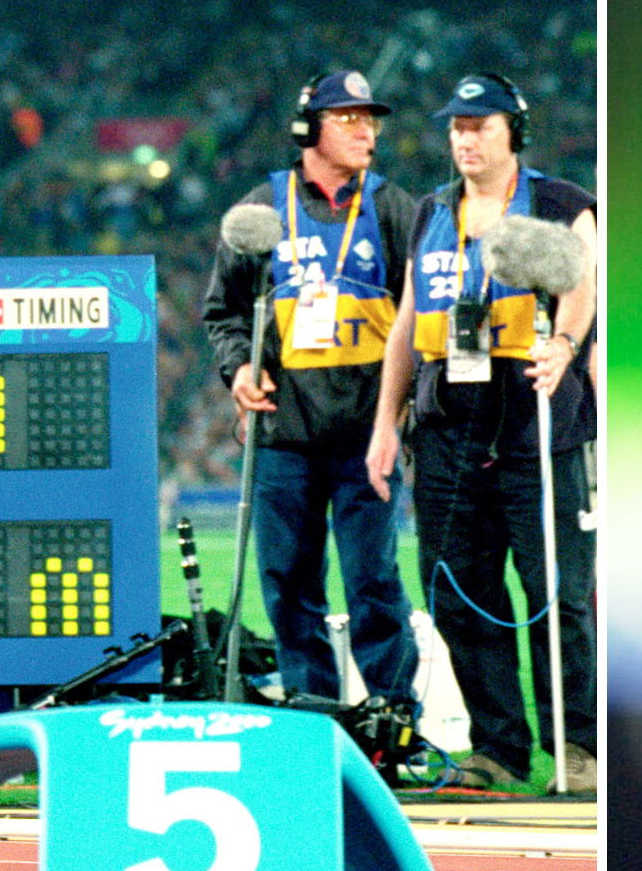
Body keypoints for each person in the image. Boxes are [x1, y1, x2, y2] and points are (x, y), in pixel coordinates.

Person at [368, 73, 598, 795]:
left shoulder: (559, 202)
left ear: (513, 134)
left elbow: (583, 281)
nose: (466, 139)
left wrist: (563, 343)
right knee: (458, 593)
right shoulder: (431, 211)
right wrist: (385, 424)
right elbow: (407, 323)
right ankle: (498, 750)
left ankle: (579, 749)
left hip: (534, 422)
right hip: (446, 429)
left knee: (557, 593)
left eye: (482, 126)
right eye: (457, 128)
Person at [200, 71, 421, 711]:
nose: (365, 129)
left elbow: (425, 317)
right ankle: (312, 713)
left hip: (365, 436)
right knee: (289, 585)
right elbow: (223, 312)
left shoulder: (393, 208)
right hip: (283, 434)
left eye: (370, 119)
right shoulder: (259, 210)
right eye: (347, 117)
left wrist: (401, 416)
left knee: (373, 581)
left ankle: (392, 721)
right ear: (308, 129)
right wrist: (238, 369)